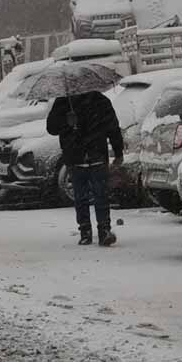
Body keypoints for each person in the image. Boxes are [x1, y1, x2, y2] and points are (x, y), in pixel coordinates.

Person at [46, 90, 124, 246]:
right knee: (82, 196)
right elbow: (51, 128)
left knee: (99, 194)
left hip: (96, 155)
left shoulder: (99, 101)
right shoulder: (63, 102)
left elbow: (113, 127)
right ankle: (85, 231)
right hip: (76, 156)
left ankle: (103, 230)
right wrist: (66, 122)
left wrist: (118, 151)